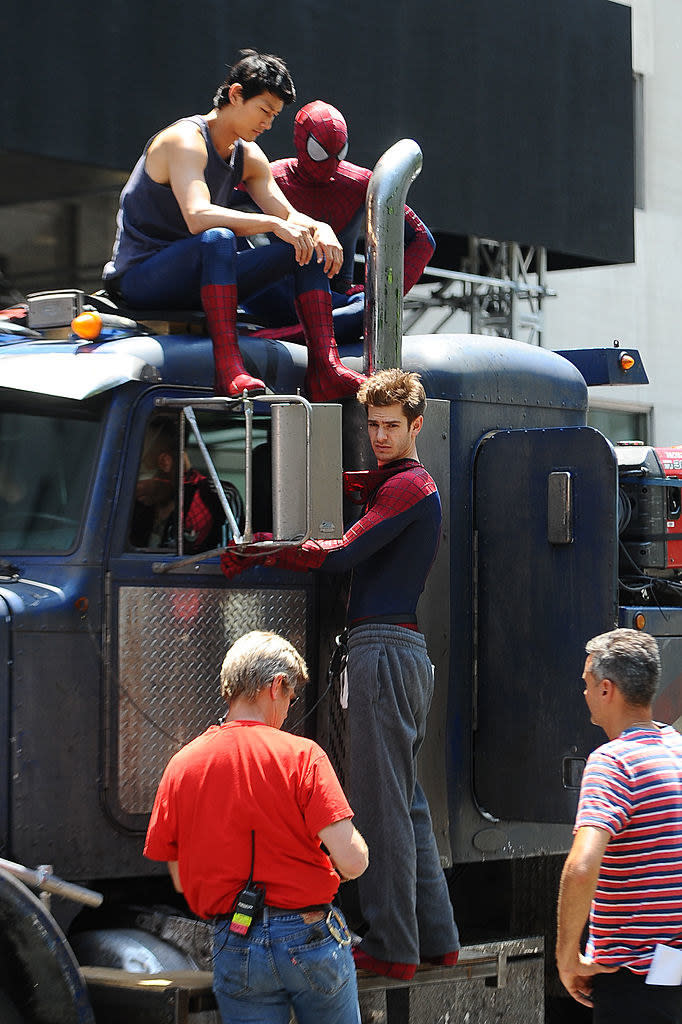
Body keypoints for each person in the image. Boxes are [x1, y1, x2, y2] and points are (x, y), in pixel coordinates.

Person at [220, 368, 460, 979]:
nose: (379, 435)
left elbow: (345, 553)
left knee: (382, 808)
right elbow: (367, 498)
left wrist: (262, 550)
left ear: (416, 427)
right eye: (372, 425)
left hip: (382, 648)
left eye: (390, 426)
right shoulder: (399, 483)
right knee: (405, 805)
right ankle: (436, 938)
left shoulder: (407, 487)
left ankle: (392, 947)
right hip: (391, 648)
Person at [103, 50, 366, 402]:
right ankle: (229, 367)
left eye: (274, 116)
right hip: (143, 276)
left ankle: (325, 366)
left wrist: (320, 228)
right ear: (236, 94)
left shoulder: (249, 155)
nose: (268, 124)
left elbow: (289, 216)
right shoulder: (185, 140)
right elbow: (198, 216)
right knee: (218, 237)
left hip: (205, 274)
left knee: (305, 243)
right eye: (264, 110)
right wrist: (273, 224)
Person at [144, 630, 368, 1024]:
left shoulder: (182, 765)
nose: (289, 710)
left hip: (234, 939)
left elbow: (180, 879)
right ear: (276, 686)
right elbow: (351, 861)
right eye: (291, 698)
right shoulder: (303, 757)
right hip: (309, 935)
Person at [556, 628, 682, 1024]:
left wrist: (567, 956)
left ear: (608, 690)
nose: (585, 693)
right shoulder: (677, 752)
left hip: (634, 983)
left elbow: (580, 867)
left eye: (588, 684)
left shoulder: (613, 762)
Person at [240, 99, 435, 346]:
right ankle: (304, 336)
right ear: (302, 141)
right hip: (279, 296)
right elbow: (216, 217)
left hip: (334, 302)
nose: (329, 163)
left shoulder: (361, 183)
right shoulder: (269, 177)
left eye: (338, 153)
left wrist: (378, 294)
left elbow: (422, 239)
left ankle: (277, 338)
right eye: (320, 152)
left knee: (368, 311)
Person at [129, 416, 236, 553]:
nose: (134, 487)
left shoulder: (217, 498)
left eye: (140, 473)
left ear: (165, 462)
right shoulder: (135, 509)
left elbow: (229, 561)